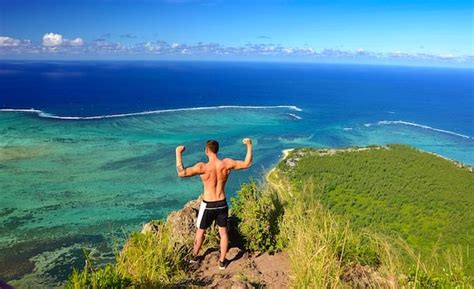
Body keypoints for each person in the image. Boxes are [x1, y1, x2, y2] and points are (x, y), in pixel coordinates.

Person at [175, 138, 252, 270]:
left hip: (208, 204)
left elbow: (181, 172)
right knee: (223, 233)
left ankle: (194, 257)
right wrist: (249, 145)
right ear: (217, 150)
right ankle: (222, 262)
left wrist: (178, 153)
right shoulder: (226, 164)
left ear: (206, 151)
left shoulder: (202, 167)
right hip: (222, 203)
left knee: (200, 232)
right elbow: (247, 164)